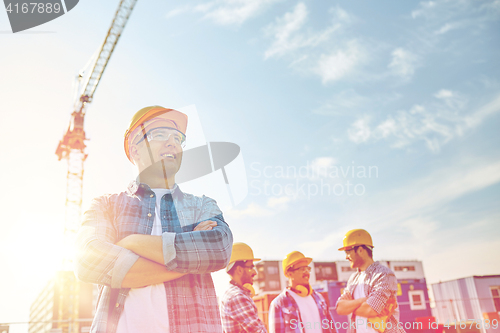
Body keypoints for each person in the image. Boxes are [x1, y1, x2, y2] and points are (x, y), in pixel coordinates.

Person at [75, 106, 233, 333]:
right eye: (160, 134)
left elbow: (220, 248)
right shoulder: (106, 206)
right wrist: (193, 259)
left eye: (178, 138)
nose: (173, 143)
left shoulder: (202, 205)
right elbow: (87, 261)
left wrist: (131, 243)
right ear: (135, 149)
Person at [336, 229, 405, 333]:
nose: (346, 257)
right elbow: (340, 308)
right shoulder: (353, 279)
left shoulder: (384, 274)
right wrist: (362, 301)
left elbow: (371, 309)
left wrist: (350, 307)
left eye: (348, 251)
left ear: (360, 250)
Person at [269, 251, 337, 333]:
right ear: (289, 273)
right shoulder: (278, 304)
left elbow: (332, 328)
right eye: (302, 269)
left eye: (308, 268)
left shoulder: (319, 298)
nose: (307, 272)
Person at [220, 242, 268, 333]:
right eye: (251, 267)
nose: (255, 272)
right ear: (239, 270)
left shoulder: (232, 293)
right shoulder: (238, 297)